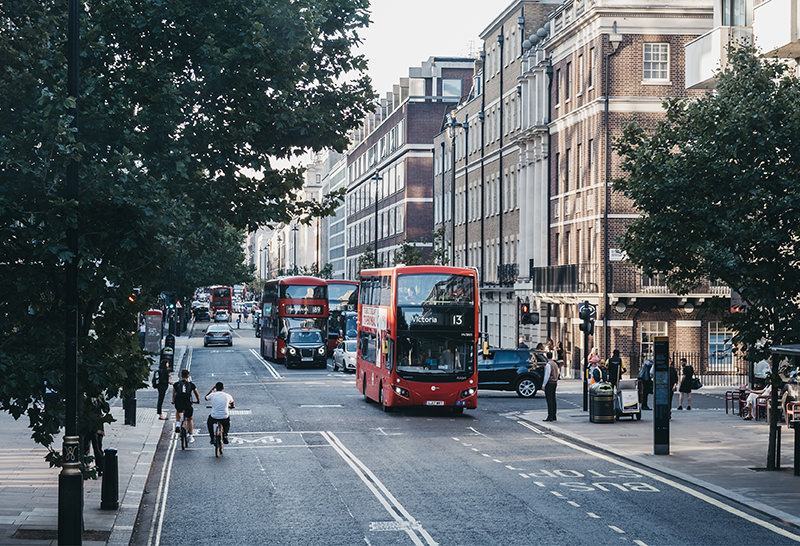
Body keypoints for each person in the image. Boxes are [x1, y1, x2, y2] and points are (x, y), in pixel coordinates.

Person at [172, 369, 200, 443]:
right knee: (190, 419)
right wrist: (198, 400)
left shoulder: (176, 384)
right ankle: (190, 436)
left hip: (179, 403)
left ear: (181, 376)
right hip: (187, 403)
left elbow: (174, 393)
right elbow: (196, 393)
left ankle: (178, 424)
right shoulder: (191, 385)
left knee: (178, 411)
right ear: (188, 376)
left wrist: (173, 401)